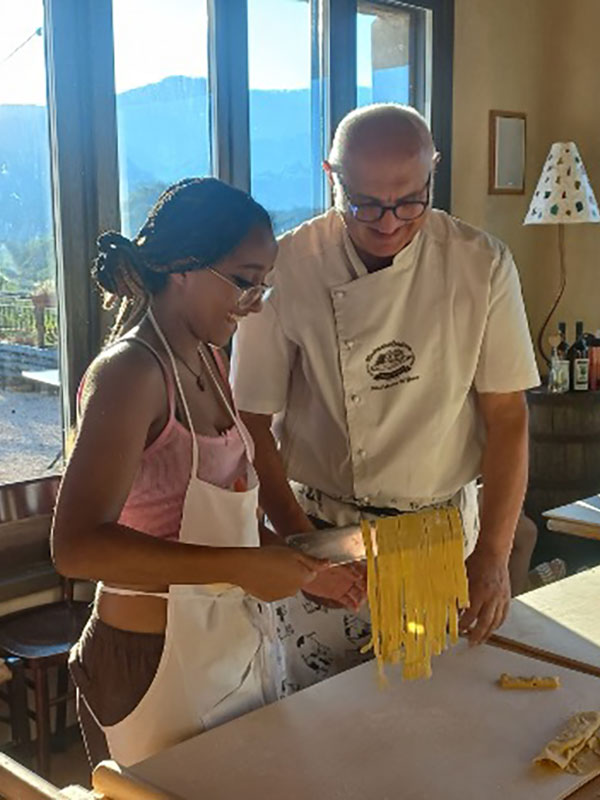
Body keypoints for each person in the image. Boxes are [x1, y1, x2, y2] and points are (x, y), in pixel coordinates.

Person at [231, 104, 540, 691]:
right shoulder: (288, 268)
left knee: (438, 712)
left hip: (443, 536)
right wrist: (303, 553)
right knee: (323, 729)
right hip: (322, 527)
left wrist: (494, 556)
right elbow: (251, 421)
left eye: (409, 201)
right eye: (365, 203)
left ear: (433, 173)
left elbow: (506, 417)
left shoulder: (481, 264)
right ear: (331, 176)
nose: (389, 222)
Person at [51, 178, 328, 767]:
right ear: (181, 266)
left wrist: (298, 565)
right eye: (244, 280)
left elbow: (217, 522)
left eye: (263, 286)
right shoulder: (132, 373)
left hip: (222, 641)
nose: (254, 302)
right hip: (146, 655)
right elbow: (76, 548)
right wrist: (244, 566)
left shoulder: (207, 357)